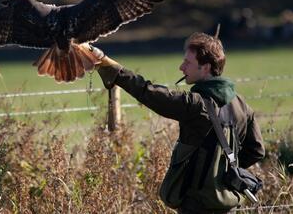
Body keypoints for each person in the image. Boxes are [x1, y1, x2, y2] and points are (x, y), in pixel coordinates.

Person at [91, 32, 265, 213]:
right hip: (228, 204)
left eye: (188, 63)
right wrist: (223, 174)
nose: (182, 68)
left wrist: (112, 69)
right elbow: (257, 151)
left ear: (205, 68)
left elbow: (150, 93)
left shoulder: (197, 105)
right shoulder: (242, 105)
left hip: (196, 205)